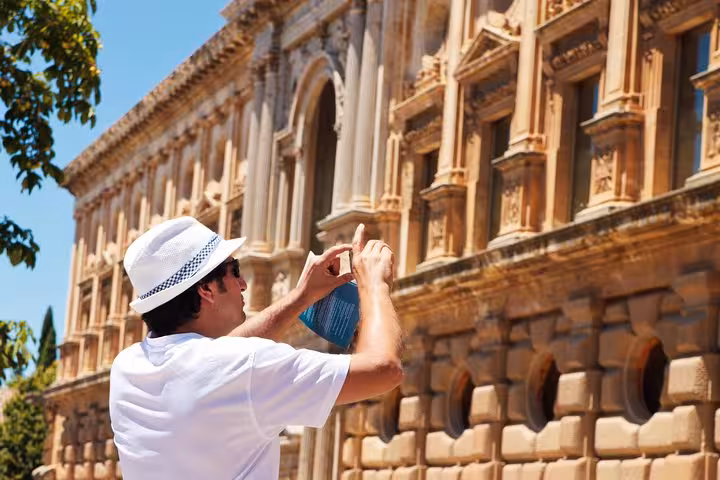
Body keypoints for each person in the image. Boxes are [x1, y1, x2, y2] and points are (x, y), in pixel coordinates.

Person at [109, 216, 404, 479]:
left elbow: (220, 357)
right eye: (233, 270)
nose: (243, 284)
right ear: (206, 290)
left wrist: (301, 297)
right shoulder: (246, 367)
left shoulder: (126, 367)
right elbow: (384, 368)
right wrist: (374, 285)